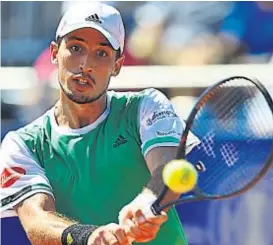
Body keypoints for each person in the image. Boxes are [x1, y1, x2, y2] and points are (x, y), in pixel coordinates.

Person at [0, 2, 199, 245]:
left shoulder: (147, 106)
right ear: (54, 53)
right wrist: (89, 236)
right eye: (75, 48)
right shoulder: (22, 145)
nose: (86, 64)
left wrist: (148, 201)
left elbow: (166, 167)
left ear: (117, 65)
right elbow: (37, 220)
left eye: (102, 53)